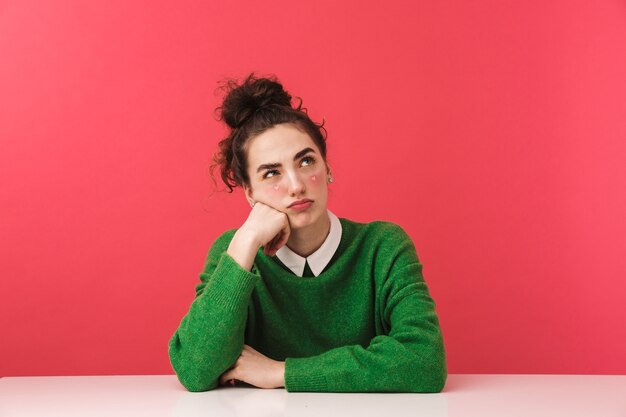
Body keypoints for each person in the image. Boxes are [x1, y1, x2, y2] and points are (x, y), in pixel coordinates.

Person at [168, 73, 447, 393]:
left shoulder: (382, 247)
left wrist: (282, 373)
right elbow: (193, 368)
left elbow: (425, 362)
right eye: (272, 173)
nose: (296, 185)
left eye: (306, 162)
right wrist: (245, 241)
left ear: (326, 169)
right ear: (249, 192)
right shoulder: (232, 254)